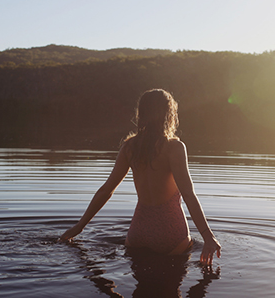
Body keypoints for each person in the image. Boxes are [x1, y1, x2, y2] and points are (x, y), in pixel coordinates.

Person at [59, 89, 221, 266]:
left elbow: (106, 190)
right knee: (172, 290)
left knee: (139, 291)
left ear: (141, 114)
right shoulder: (174, 148)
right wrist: (208, 236)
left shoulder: (130, 147)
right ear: (169, 114)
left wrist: (79, 226)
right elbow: (188, 195)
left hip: (138, 234)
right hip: (171, 235)